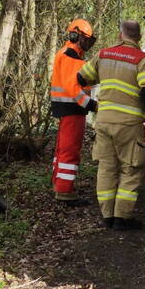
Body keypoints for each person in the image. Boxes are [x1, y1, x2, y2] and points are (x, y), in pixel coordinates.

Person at [77, 20, 145, 230]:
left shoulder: (103, 54)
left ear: (120, 34)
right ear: (138, 37)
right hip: (128, 125)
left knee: (106, 168)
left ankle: (107, 216)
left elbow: (81, 77)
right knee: (130, 169)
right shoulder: (142, 59)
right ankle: (122, 218)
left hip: (103, 121)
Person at [50, 19, 97, 205]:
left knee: (62, 149)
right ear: (75, 35)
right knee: (70, 151)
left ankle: (59, 184)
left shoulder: (68, 53)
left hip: (67, 109)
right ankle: (65, 191)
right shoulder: (70, 56)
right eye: (85, 39)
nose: (87, 43)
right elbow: (73, 89)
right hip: (72, 109)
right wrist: (93, 106)